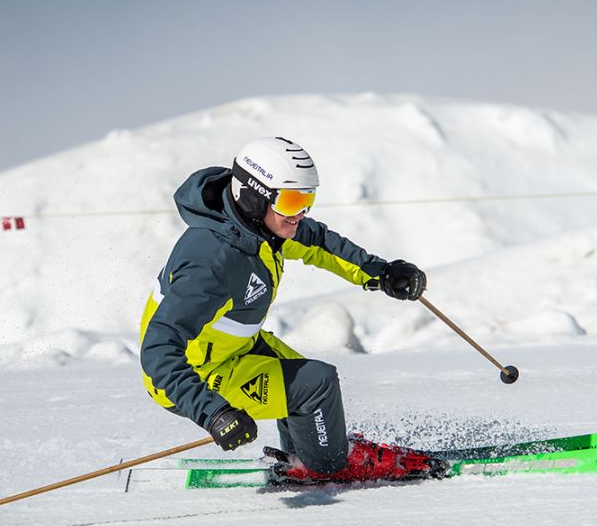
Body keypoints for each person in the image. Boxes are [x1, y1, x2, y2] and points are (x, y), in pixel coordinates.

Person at [139, 136, 433, 482]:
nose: (300, 214)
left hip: (232, 350)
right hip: (193, 373)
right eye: (292, 200)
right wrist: (214, 412)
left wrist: (380, 273)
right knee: (316, 385)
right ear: (252, 195)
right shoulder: (213, 263)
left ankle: (302, 457)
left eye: (307, 200)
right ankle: (329, 466)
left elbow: (318, 242)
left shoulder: (259, 227)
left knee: (301, 381)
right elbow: (158, 349)